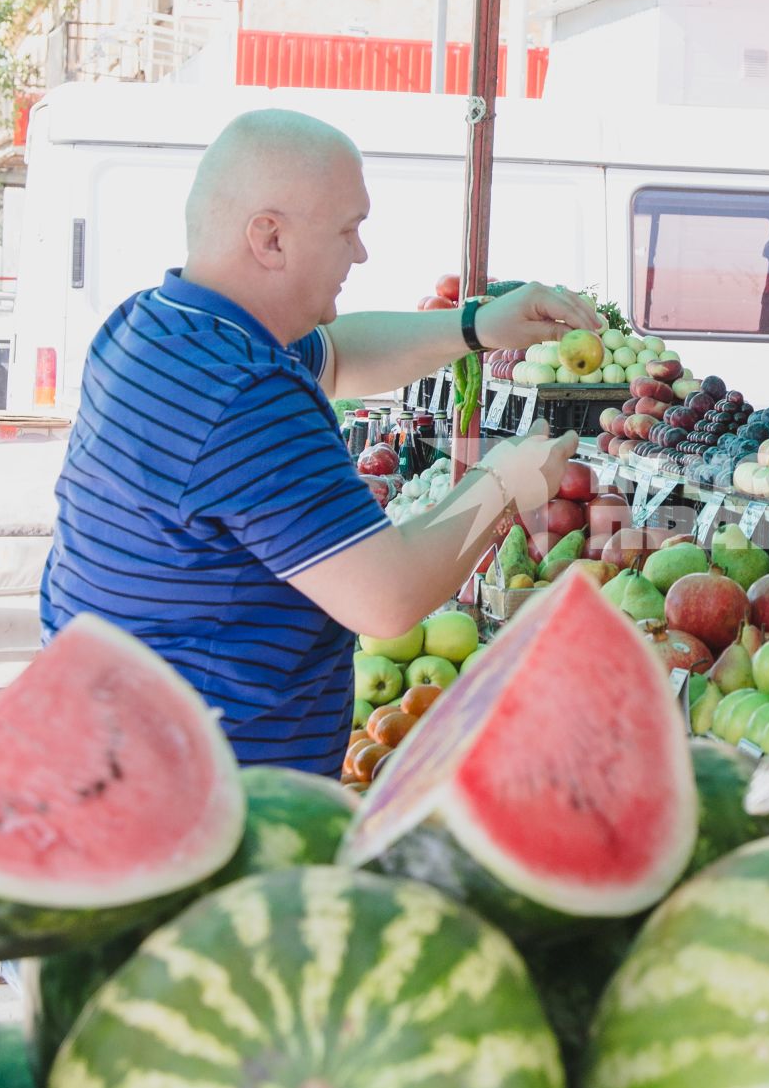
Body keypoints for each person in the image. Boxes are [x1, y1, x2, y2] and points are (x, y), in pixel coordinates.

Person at [39, 109, 603, 773]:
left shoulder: (157, 327)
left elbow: (337, 357)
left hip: (109, 747)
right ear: (270, 239)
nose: (360, 253)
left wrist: (477, 325)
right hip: (203, 792)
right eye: (347, 230)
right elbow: (386, 598)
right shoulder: (243, 393)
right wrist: (506, 480)